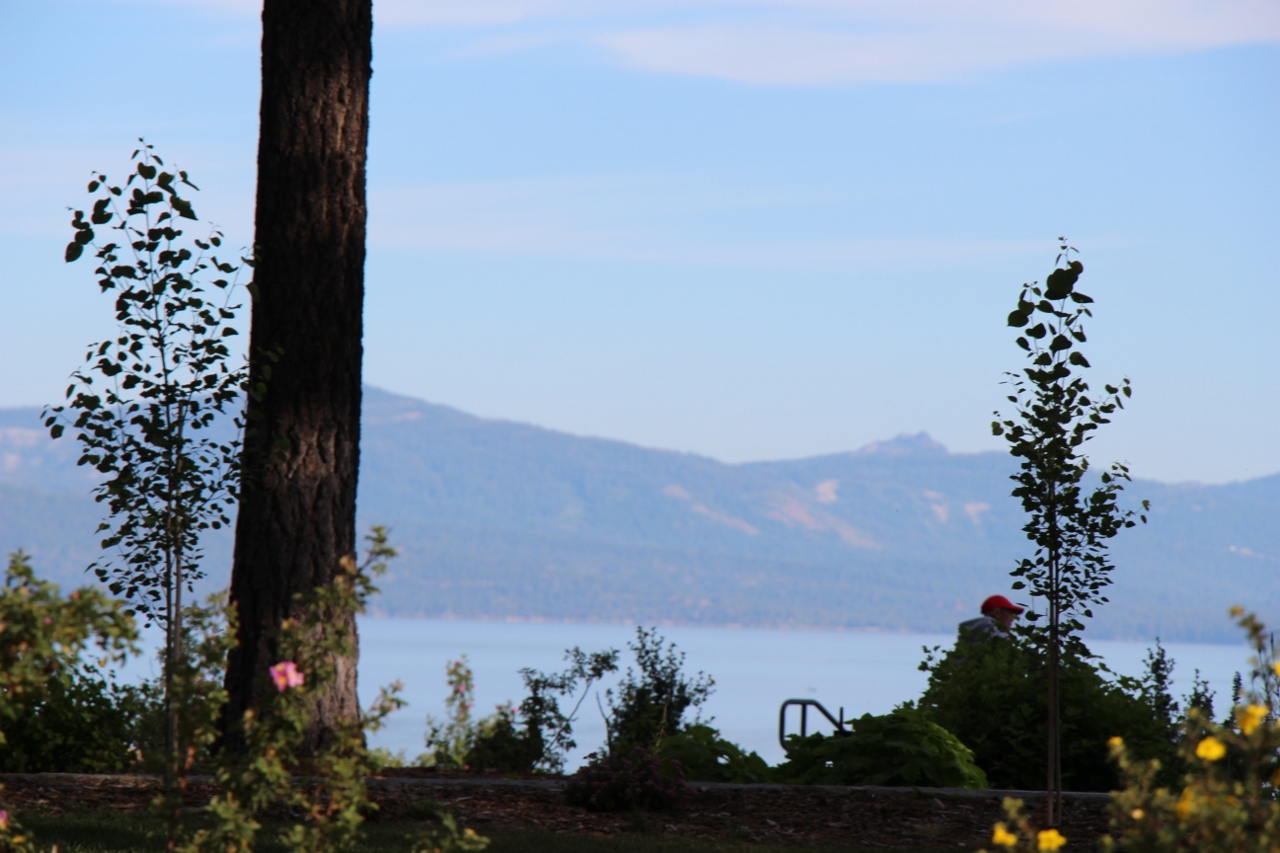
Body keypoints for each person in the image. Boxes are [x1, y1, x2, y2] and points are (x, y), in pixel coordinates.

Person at [958, 594, 1025, 643]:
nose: (1012, 619)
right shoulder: (996, 635)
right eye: (1010, 614)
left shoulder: (969, 638)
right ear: (997, 614)